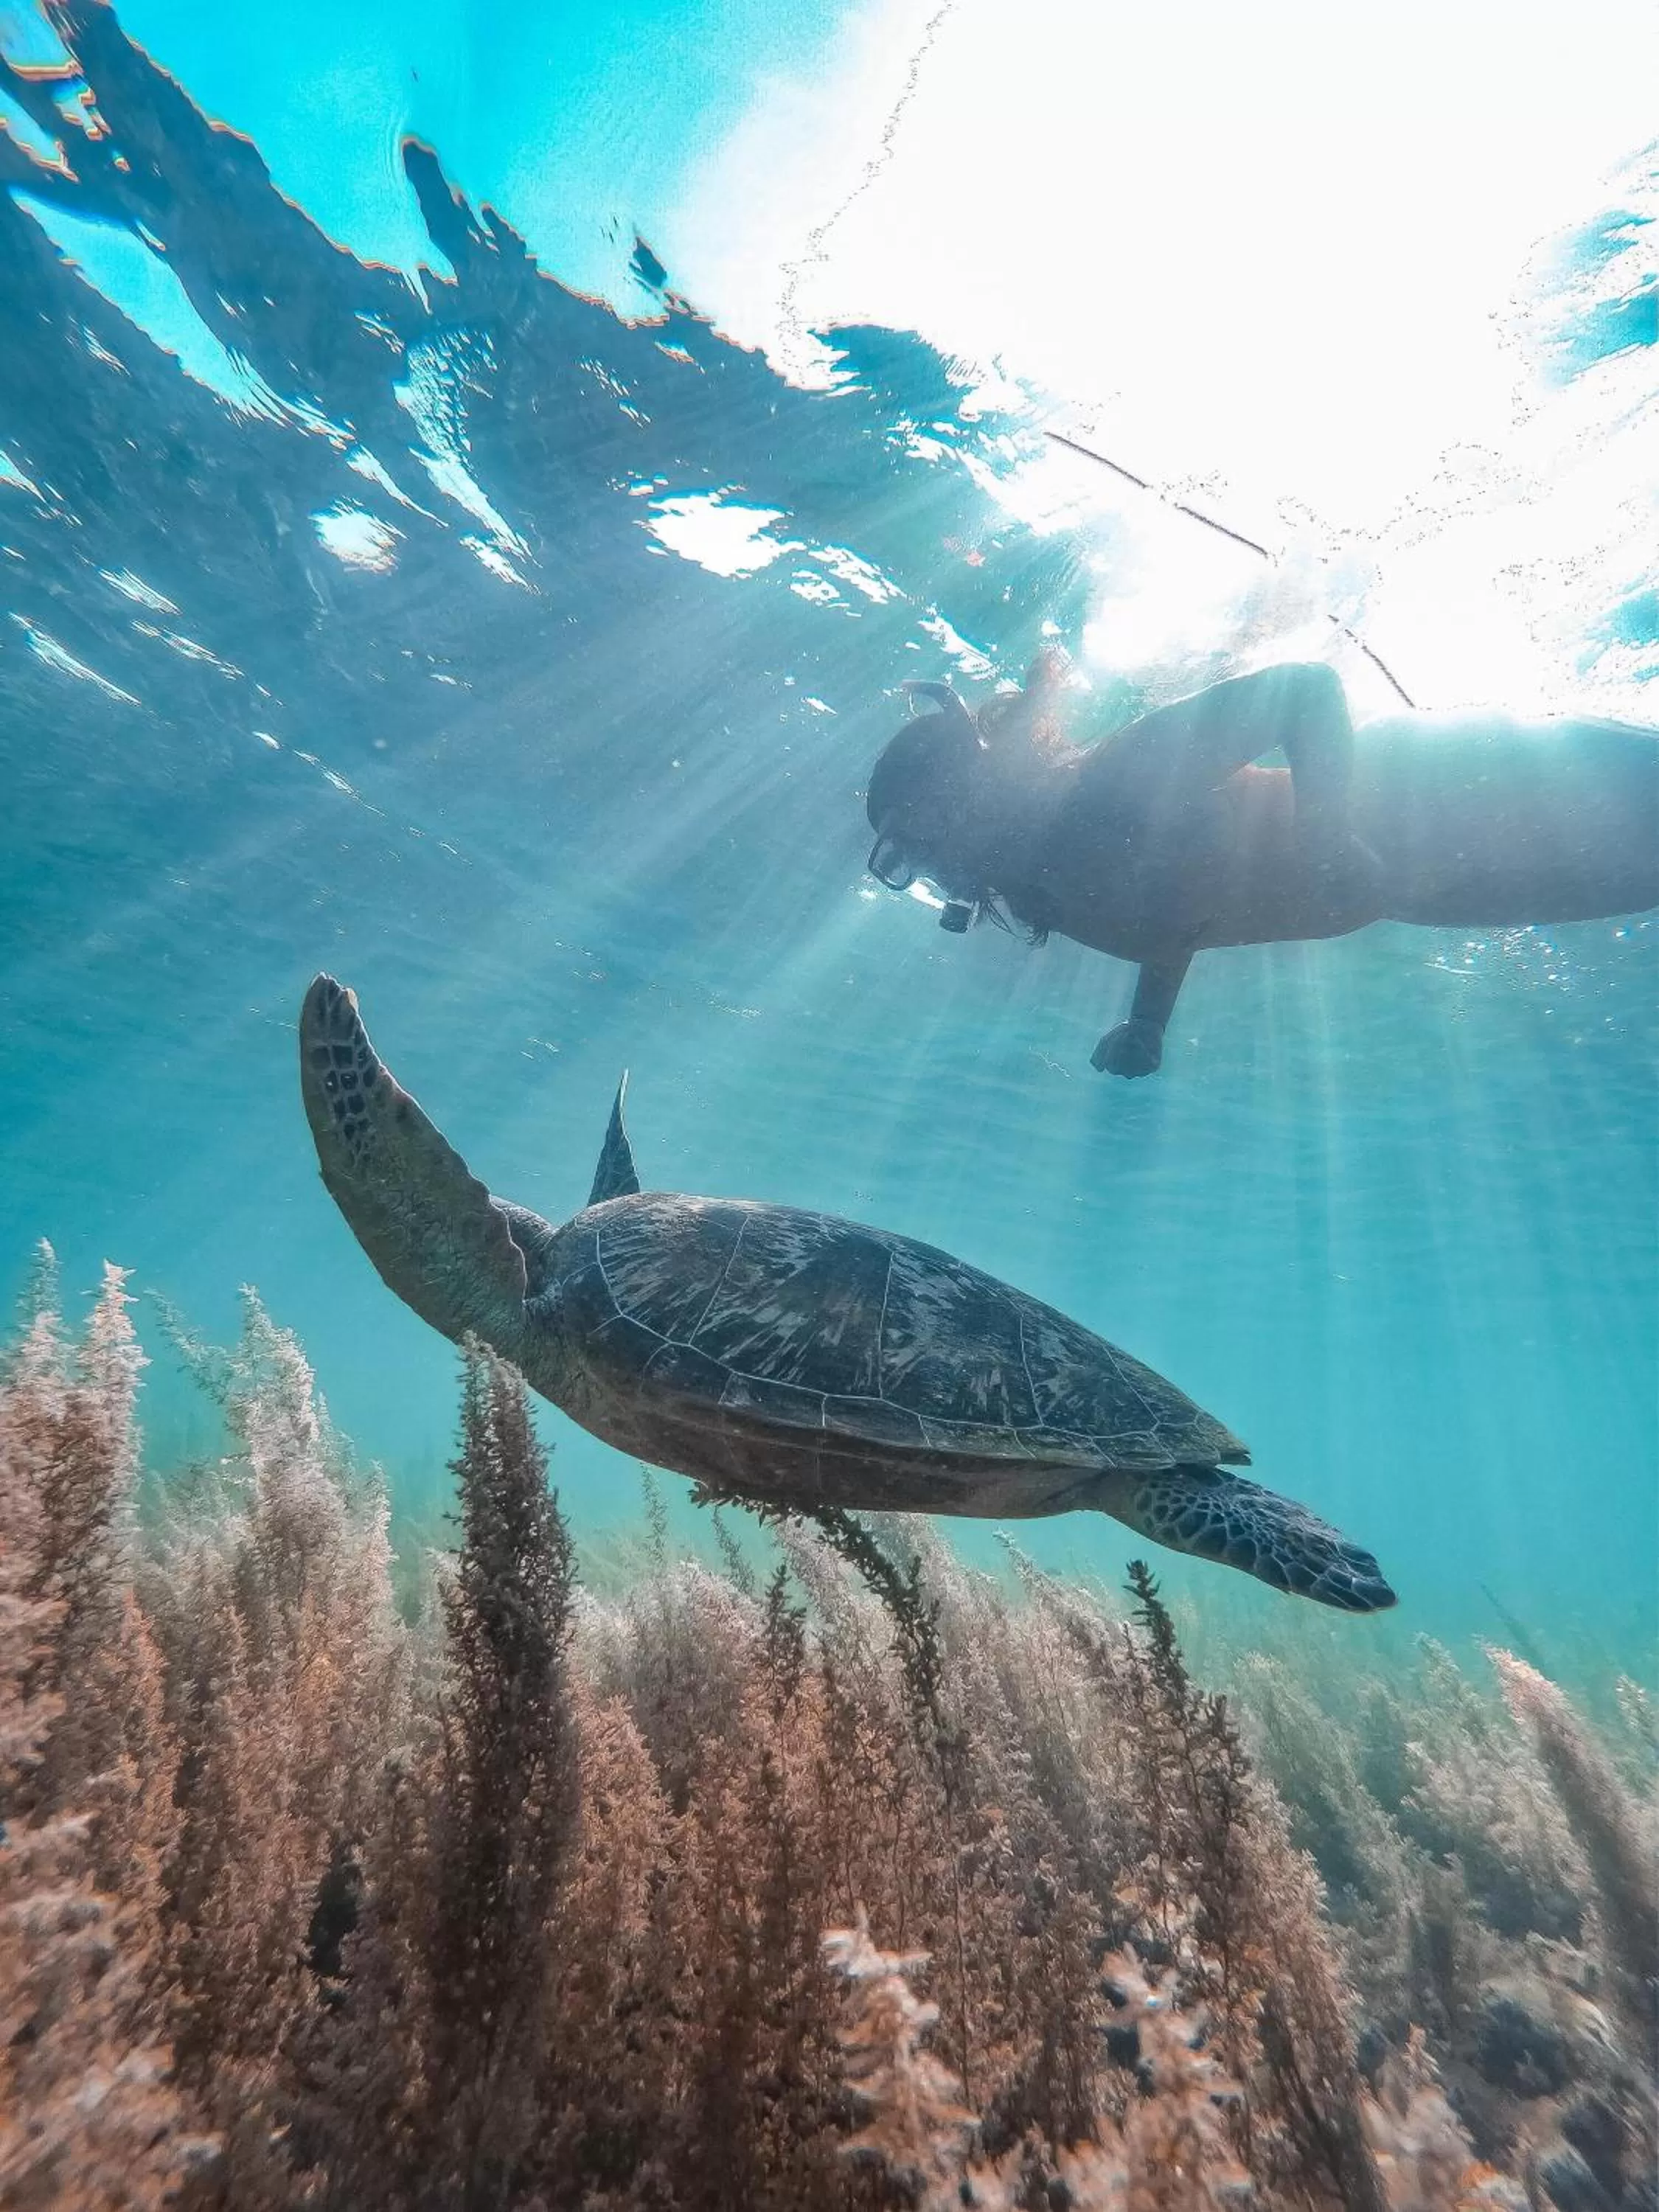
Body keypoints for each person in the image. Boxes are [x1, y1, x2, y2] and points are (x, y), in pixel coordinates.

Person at [865, 650, 1658, 1076]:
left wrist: (1323, 838)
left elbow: (1303, 690)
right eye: (902, 860)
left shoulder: (1116, 776)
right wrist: (1148, 1024)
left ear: (968, 781)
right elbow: (1177, 918)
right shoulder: (1058, 893)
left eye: (919, 833)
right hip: (1424, 890)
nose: (930, 867)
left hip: (1438, 788)